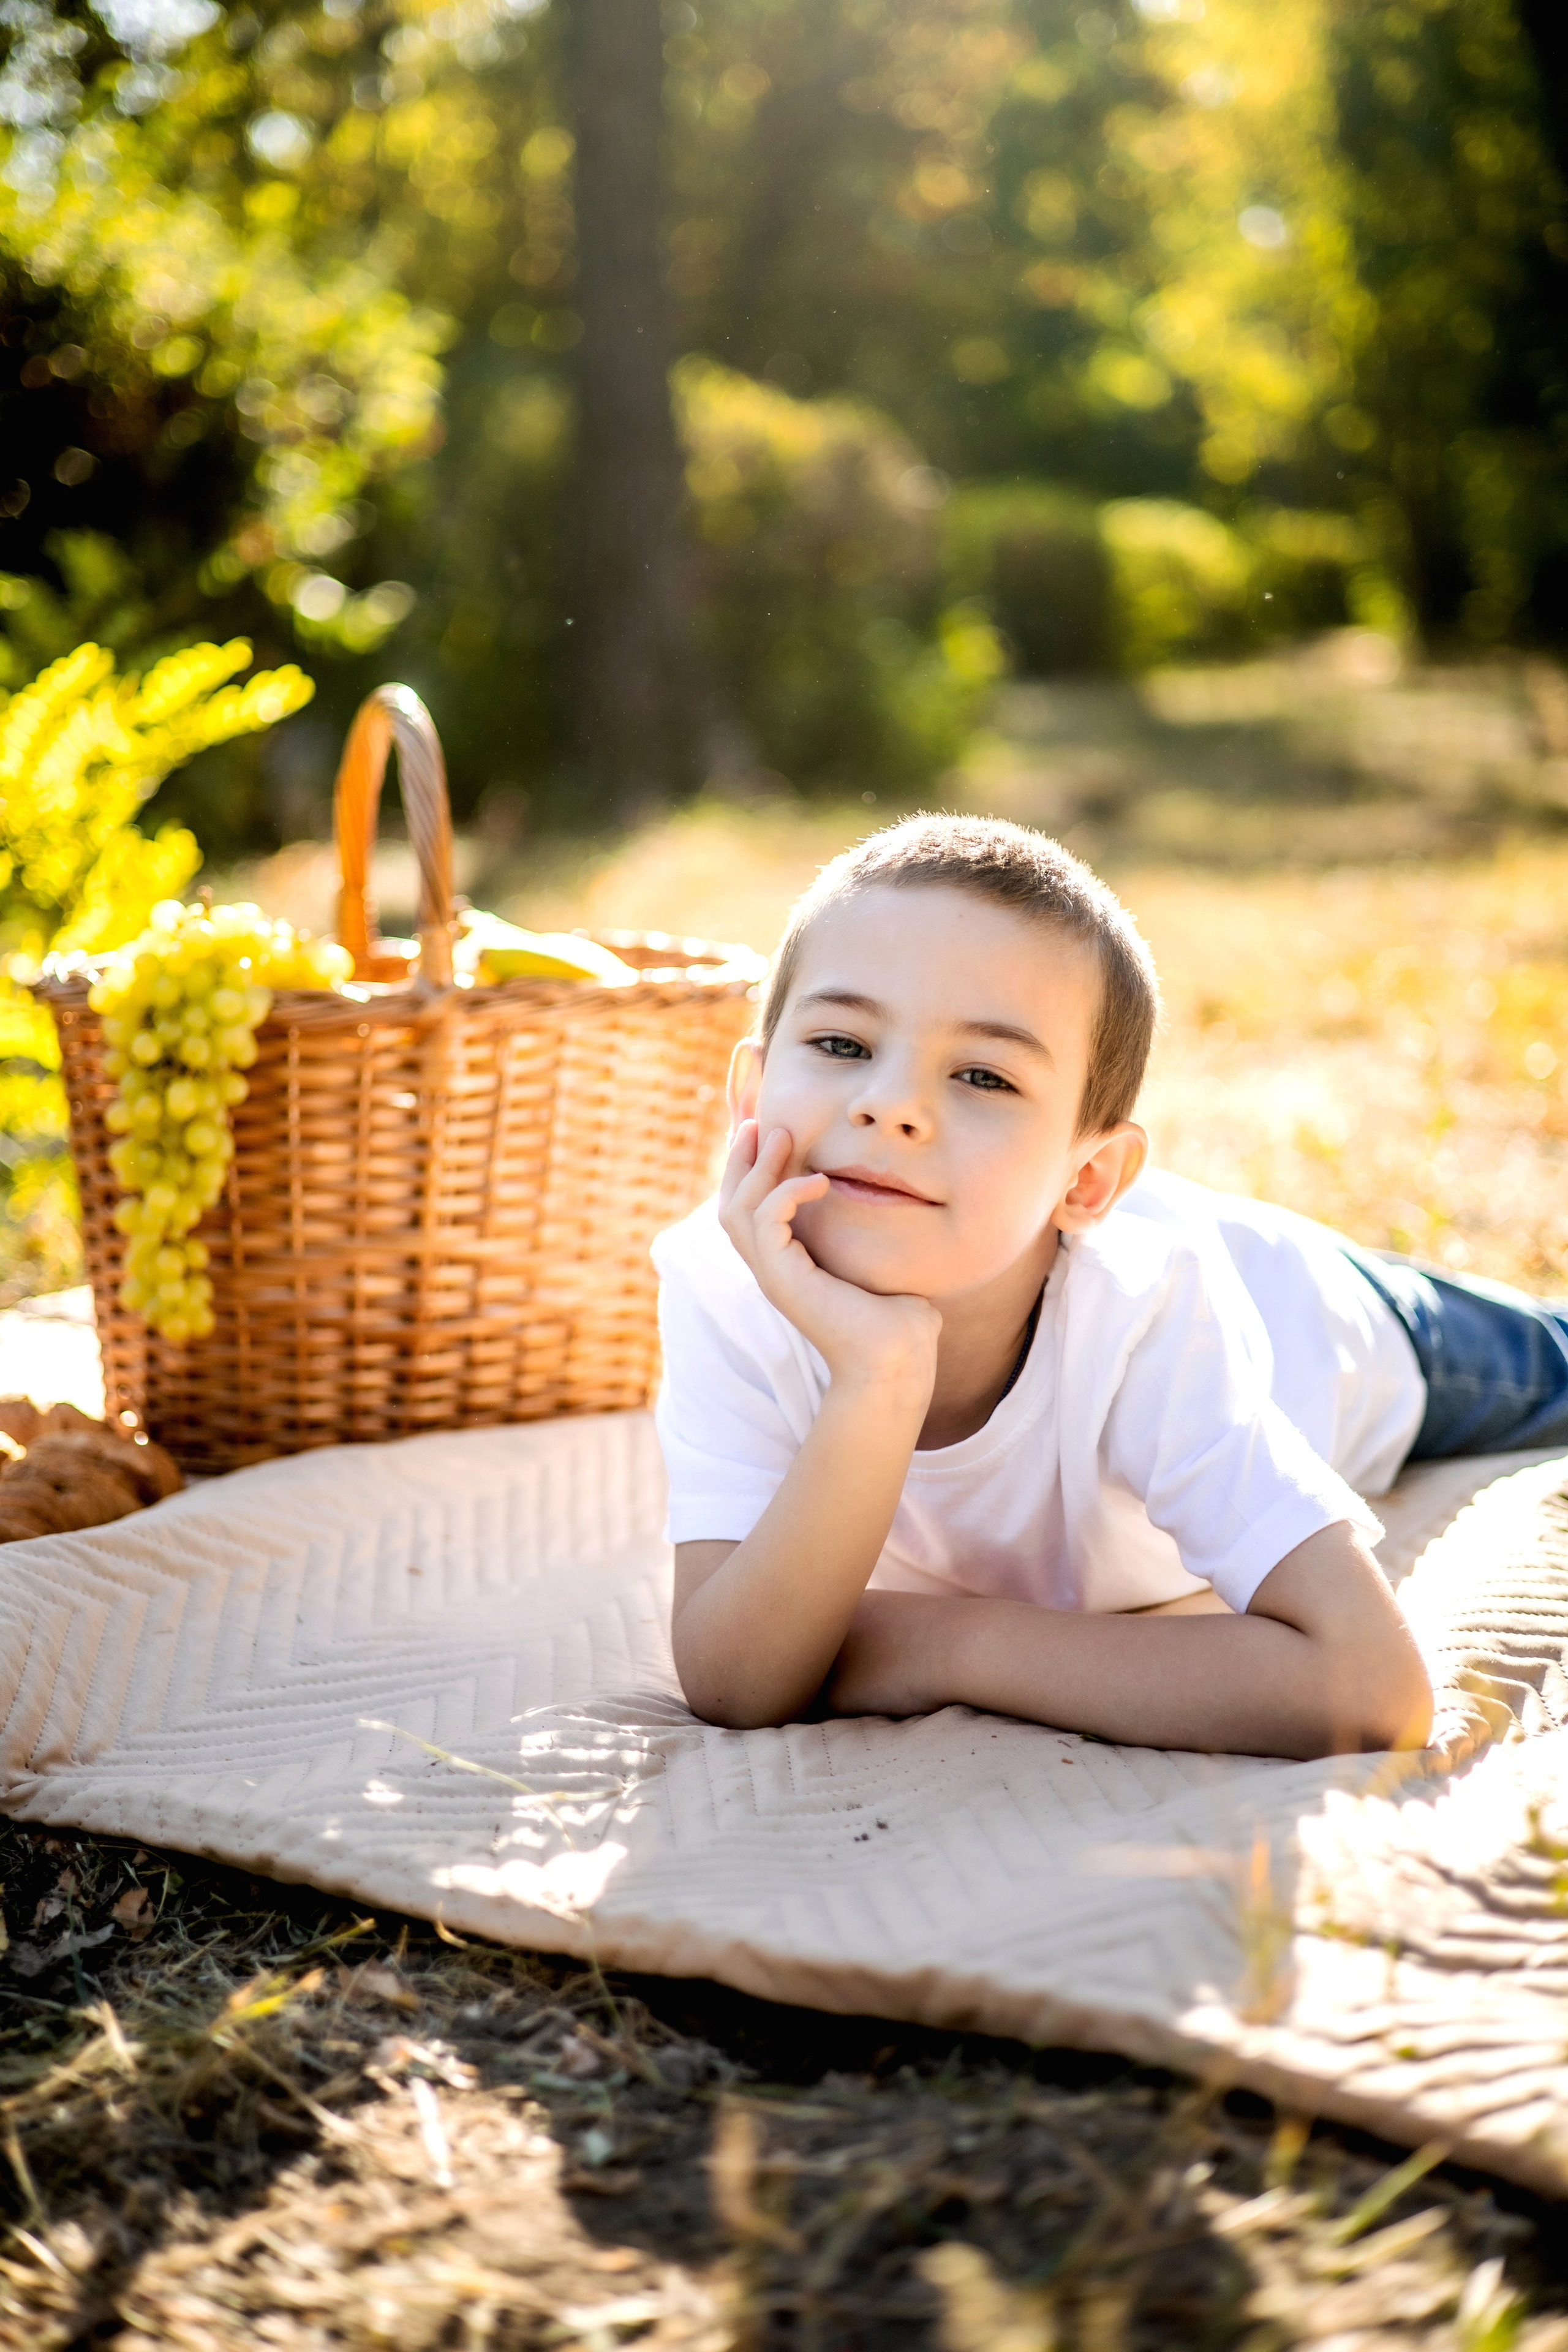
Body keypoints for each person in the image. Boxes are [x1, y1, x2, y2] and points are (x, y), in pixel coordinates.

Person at [654, 815, 1568, 1758]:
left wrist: (949, 1640)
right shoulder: (722, 1280)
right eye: (843, 1045)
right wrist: (880, 1376)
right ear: (751, 1097)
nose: (888, 1105)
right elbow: (735, 1679)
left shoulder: (1142, 1319)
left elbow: (1372, 1690)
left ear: (1087, 1180)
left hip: (1344, 1327)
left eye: (982, 1075)